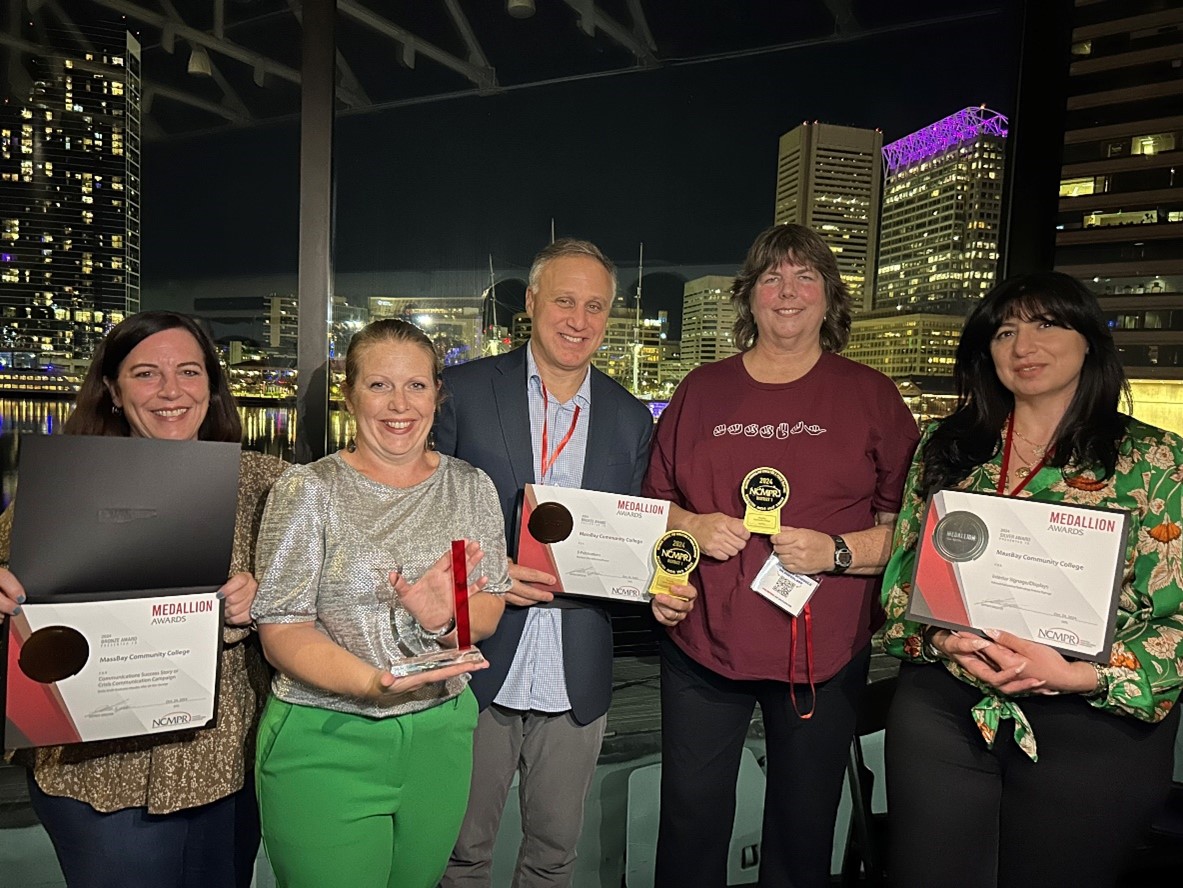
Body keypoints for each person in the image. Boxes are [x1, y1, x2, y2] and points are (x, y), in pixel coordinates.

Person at [881, 272, 1183, 888]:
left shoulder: (1154, 461)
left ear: (1090, 341)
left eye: (1047, 324)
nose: (1024, 346)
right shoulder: (950, 446)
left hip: (1091, 725)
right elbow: (901, 584)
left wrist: (1078, 673)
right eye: (1006, 331)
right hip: (945, 711)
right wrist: (940, 638)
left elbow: (1176, 619)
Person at [643, 223, 919, 888]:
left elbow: (910, 531)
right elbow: (654, 509)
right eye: (771, 277)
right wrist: (688, 536)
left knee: (803, 828)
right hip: (700, 645)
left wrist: (837, 551)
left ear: (829, 297)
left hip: (821, 655)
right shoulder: (699, 390)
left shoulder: (871, 395)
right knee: (688, 820)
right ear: (749, 296)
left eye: (805, 277)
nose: (787, 291)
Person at [439, 238, 695, 888]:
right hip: (477, 664)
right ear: (530, 303)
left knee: (554, 861)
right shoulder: (463, 393)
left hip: (575, 670)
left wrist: (663, 588)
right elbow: (424, 514)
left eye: (594, 306)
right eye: (563, 300)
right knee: (459, 856)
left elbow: (640, 534)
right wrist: (484, 568)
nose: (577, 319)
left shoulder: (629, 419)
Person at [0, 311, 287, 888]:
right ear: (112, 388)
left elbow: (320, 595)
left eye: (189, 371)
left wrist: (268, 597)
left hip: (223, 768)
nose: (171, 391)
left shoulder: (269, 483)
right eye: (146, 374)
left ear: (211, 385)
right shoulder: (62, 484)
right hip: (91, 771)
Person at [251, 318, 509, 888]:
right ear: (349, 393)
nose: (400, 404)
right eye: (378, 385)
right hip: (327, 737)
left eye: (416, 385)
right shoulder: (306, 491)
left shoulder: (471, 487)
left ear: (438, 395)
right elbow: (282, 630)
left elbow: (484, 613)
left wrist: (443, 621)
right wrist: (375, 685)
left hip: (441, 735)